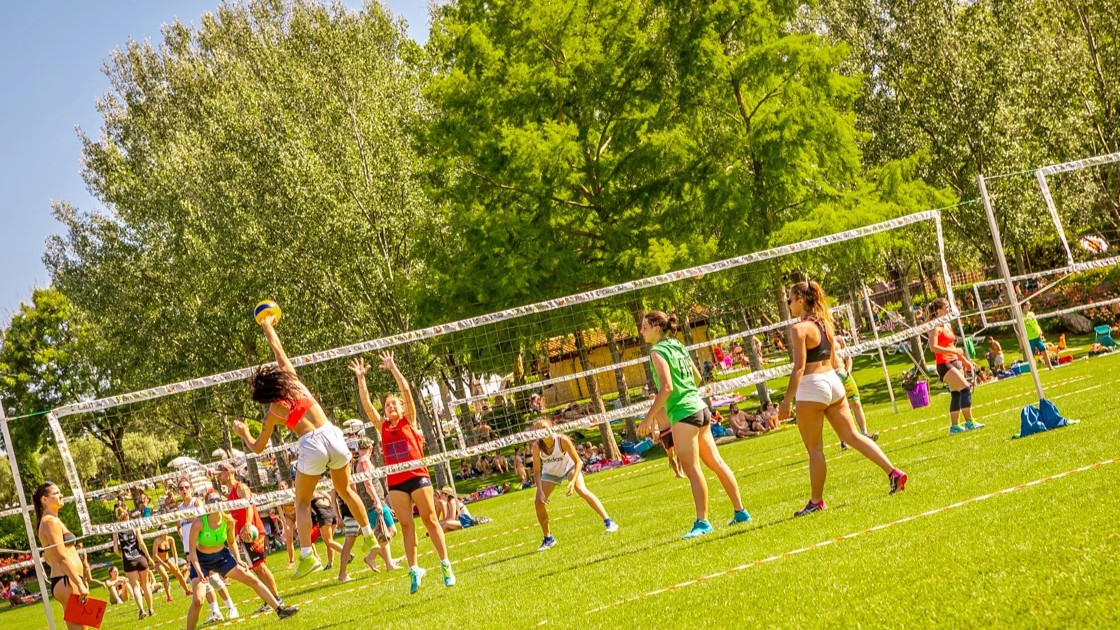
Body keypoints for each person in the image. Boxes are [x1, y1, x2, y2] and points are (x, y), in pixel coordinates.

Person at [235, 314, 375, 579]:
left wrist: (243, 432)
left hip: (310, 443)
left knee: (300, 502)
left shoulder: (274, 412)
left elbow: (256, 448)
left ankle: (307, 556)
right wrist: (267, 325)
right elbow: (278, 350)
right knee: (345, 490)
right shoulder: (294, 380)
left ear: (264, 396)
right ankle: (370, 537)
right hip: (332, 434)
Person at [778, 282, 907, 517]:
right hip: (833, 382)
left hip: (812, 386)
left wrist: (786, 401)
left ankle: (816, 501)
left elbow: (799, 368)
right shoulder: (825, 323)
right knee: (853, 436)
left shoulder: (800, 329)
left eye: (789, 299)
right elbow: (835, 359)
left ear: (800, 300)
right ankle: (894, 473)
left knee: (815, 449)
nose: (788, 304)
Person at [637, 311, 750, 538]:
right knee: (716, 462)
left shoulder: (657, 351)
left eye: (645, 327)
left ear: (657, 328)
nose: (641, 331)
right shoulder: (677, 346)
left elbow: (667, 387)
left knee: (693, 469)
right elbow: (697, 377)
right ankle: (740, 512)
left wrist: (649, 418)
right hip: (700, 408)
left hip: (685, 413)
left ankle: (703, 522)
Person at [350, 352, 456, 593]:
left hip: (418, 475)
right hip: (396, 481)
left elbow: (406, 391)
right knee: (407, 526)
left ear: (401, 407)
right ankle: (414, 570)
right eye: (387, 405)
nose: (390, 406)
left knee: (430, 520)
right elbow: (366, 404)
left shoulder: (409, 420)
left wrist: (393, 368)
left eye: (393, 403)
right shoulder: (383, 426)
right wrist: (361, 378)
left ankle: (445, 564)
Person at [184, 490, 298, 629]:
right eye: (212, 501)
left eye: (218, 499)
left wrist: (238, 559)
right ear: (207, 505)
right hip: (201, 560)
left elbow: (231, 542)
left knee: (253, 580)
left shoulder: (228, 521)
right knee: (198, 600)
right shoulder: (199, 523)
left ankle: (280, 610)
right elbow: (192, 551)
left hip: (222, 557)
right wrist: (198, 570)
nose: (216, 503)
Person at [531, 418, 618, 550]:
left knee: (580, 489)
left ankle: (609, 521)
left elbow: (578, 462)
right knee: (538, 502)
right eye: (538, 429)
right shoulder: (536, 447)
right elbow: (536, 472)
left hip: (569, 467)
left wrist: (572, 481)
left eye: (544, 427)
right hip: (551, 472)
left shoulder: (561, 440)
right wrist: (540, 492)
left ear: (551, 427)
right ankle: (548, 539)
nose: (542, 431)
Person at [215, 463, 283, 614]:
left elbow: (249, 507)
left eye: (219, 474)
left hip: (252, 531)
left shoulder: (241, 488)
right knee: (257, 568)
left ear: (228, 472)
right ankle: (269, 599)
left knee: (261, 567)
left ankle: (277, 598)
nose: (218, 477)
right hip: (244, 534)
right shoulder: (230, 493)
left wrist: (246, 524)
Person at [338, 437, 401, 582]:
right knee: (391, 531)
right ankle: (371, 556)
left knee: (382, 535)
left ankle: (389, 564)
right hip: (373, 503)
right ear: (371, 448)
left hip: (371, 504)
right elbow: (368, 485)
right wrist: (378, 502)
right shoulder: (365, 462)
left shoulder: (357, 464)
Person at [178, 479, 237, 623]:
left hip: (203, 548)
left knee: (213, 579)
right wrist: (181, 534)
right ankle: (216, 611)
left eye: (186, 487)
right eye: (181, 488)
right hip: (190, 549)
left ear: (191, 489)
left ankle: (231, 607)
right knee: (207, 583)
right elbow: (178, 524)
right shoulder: (180, 507)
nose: (184, 490)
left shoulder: (196, 502)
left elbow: (204, 517)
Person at [34, 482, 90, 630]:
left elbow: (48, 555)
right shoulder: (50, 522)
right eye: (56, 493)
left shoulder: (51, 520)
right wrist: (79, 583)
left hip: (66, 580)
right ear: (44, 500)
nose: (61, 495)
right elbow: (61, 557)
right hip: (67, 581)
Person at [928, 298, 986, 434]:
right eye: (947, 307)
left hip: (955, 360)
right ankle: (969, 422)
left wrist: (964, 360)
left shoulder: (946, 324)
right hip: (944, 363)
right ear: (939, 310)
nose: (949, 309)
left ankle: (954, 427)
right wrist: (953, 352)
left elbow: (951, 345)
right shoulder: (934, 326)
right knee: (966, 388)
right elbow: (933, 347)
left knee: (956, 394)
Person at [832, 336, 879, 450]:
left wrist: (848, 370)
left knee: (856, 404)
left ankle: (864, 434)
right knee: (839, 410)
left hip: (845, 375)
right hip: (832, 378)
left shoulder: (838, 340)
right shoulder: (820, 341)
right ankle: (843, 441)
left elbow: (848, 358)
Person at [112, 508, 155, 619]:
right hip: (140, 558)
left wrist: (122, 555)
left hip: (128, 560)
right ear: (127, 515)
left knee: (135, 586)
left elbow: (115, 549)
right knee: (145, 585)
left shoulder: (116, 529)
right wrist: (149, 557)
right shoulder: (134, 525)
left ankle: (141, 609)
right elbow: (141, 543)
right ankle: (151, 610)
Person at [151, 530, 190, 601]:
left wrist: (176, 563)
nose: (165, 530)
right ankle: (169, 596)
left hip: (167, 560)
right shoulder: (157, 541)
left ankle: (187, 591)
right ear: (160, 531)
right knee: (166, 577)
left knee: (179, 575)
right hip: (158, 562)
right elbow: (155, 555)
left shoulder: (170, 539)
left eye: (166, 528)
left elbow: (174, 552)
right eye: (163, 529)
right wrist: (164, 565)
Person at [310, 491, 343, 569]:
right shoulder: (323, 492)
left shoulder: (309, 494)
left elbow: (308, 512)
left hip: (324, 517)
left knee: (329, 541)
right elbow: (334, 502)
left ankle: (346, 553)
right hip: (332, 515)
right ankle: (330, 564)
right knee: (329, 542)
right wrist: (338, 517)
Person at [1022, 301, 1053, 370]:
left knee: (1044, 351)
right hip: (1030, 338)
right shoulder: (1021, 316)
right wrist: (1022, 342)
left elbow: (1036, 324)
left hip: (1037, 337)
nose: (1030, 306)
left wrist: (1040, 331)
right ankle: (1034, 370)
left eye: (1030, 304)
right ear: (1024, 306)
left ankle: (1050, 367)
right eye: (1028, 304)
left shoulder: (1032, 314)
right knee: (1032, 356)